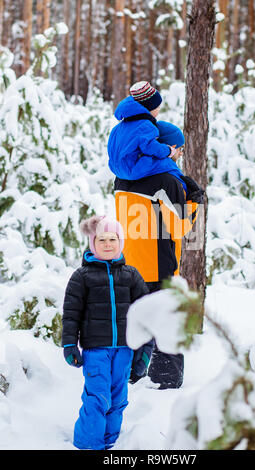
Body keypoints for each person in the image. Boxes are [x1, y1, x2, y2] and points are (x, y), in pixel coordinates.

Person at [61, 214, 152, 450]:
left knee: (118, 399)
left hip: (124, 349)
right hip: (95, 350)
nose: (108, 244)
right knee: (97, 397)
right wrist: (70, 344)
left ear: (120, 242)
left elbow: (145, 316)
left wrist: (144, 352)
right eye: (102, 240)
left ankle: (111, 443)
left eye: (112, 239)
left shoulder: (131, 275)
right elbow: (71, 314)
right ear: (93, 243)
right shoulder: (82, 277)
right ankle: (89, 444)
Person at [115, 170, 204, 389]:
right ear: (169, 147)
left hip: (130, 263)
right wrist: (194, 202)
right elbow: (180, 227)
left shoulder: (122, 176)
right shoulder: (167, 180)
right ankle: (163, 383)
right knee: (166, 326)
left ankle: (129, 377)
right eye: (178, 147)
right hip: (159, 265)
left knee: (134, 324)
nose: (179, 153)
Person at [107, 80, 187, 192]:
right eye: (158, 108)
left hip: (117, 170)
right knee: (167, 164)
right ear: (149, 109)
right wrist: (168, 151)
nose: (159, 111)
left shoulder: (118, 127)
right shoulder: (145, 126)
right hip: (134, 169)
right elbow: (150, 147)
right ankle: (184, 188)